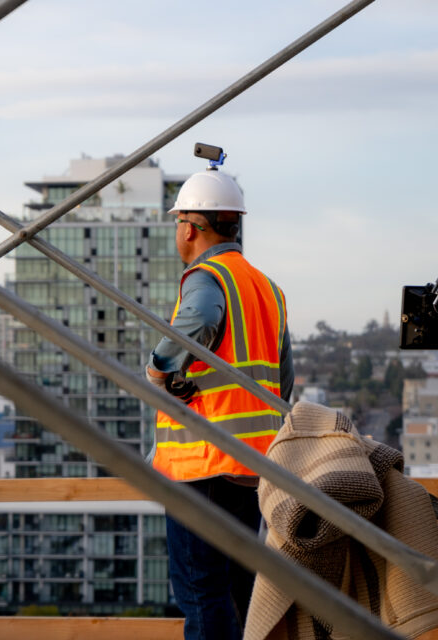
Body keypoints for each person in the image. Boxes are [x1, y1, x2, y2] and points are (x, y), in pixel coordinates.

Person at [145, 166, 293, 640]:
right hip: (252, 465)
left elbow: (201, 318)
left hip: (202, 464)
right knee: (237, 586)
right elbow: (282, 379)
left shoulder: (206, 276)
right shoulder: (266, 288)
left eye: (177, 223)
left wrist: (160, 369)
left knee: (201, 590)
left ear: (190, 227)